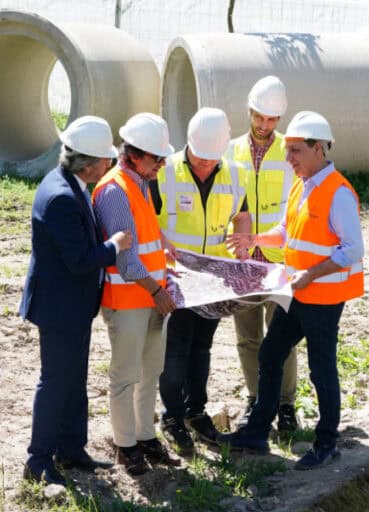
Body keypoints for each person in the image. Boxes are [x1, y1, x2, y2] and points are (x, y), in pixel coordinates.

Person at [220, 111, 364, 470]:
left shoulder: (339, 193)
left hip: (323, 298)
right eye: (288, 150)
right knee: (270, 354)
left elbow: (352, 250)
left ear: (319, 148)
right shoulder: (302, 184)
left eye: (296, 150)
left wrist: (311, 275)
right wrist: (254, 239)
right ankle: (257, 431)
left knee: (321, 369)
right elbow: (286, 232)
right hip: (298, 293)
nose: (288, 158)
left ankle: (327, 443)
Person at [19, 116, 132, 485]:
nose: (110, 164)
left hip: (71, 305)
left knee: (74, 379)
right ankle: (38, 460)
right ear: (88, 164)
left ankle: (70, 449)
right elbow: (81, 260)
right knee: (56, 382)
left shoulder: (68, 183)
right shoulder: (62, 198)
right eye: (106, 160)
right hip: (60, 308)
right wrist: (115, 245)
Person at [152, 108, 251, 454]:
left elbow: (242, 215)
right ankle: (172, 417)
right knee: (175, 349)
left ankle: (196, 412)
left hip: (213, 280)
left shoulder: (236, 174)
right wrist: (160, 248)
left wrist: (243, 241)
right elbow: (145, 218)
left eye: (212, 159)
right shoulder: (164, 172)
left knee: (202, 348)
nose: (206, 165)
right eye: (200, 158)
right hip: (176, 279)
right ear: (188, 145)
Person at [92, 112, 178, 476]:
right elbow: (126, 260)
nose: (162, 164)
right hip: (130, 300)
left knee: (150, 372)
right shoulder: (115, 191)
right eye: (156, 157)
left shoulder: (140, 182)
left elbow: (143, 234)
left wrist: (163, 242)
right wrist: (158, 290)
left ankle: (145, 437)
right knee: (126, 376)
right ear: (134, 154)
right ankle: (126, 447)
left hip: (151, 298)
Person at [226, 75, 298, 432]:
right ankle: (256, 400)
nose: (264, 125)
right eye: (259, 117)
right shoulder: (229, 151)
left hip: (279, 259)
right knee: (248, 337)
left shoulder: (291, 152)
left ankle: (285, 405)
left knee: (282, 337)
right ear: (249, 111)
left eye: (271, 119)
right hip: (242, 261)